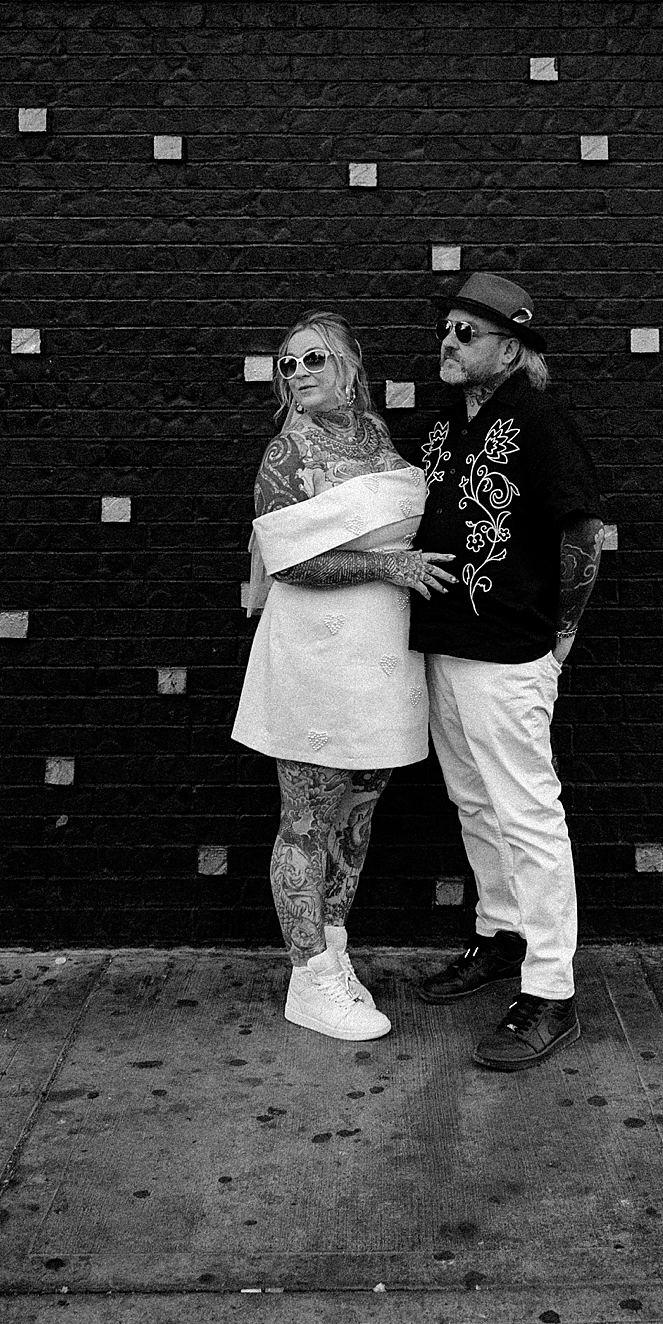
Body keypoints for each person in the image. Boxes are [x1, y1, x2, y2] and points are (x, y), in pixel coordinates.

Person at [232, 309, 456, 1042]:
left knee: (357, 811)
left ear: (351, 368)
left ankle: (333, 952)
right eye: (287, 364)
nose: (297, 374)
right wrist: (388, 566)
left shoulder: (378, 440)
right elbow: (290, 562)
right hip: (313, 655)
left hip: (378, 658)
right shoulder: (284, 454)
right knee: (307, 813)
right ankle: (308, 980)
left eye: (313, 360)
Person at [407, 272, 604, 1071]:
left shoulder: (540, 418)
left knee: (526, 812)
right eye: (447, 330)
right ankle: (501, 936)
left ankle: (551, 989)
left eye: (468, 333)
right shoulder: (445, 425)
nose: (449, 344)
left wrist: (562, 634)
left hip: (511, 651)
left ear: (511, 347)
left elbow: (582, 528)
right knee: (472, 800)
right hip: (443, 644)